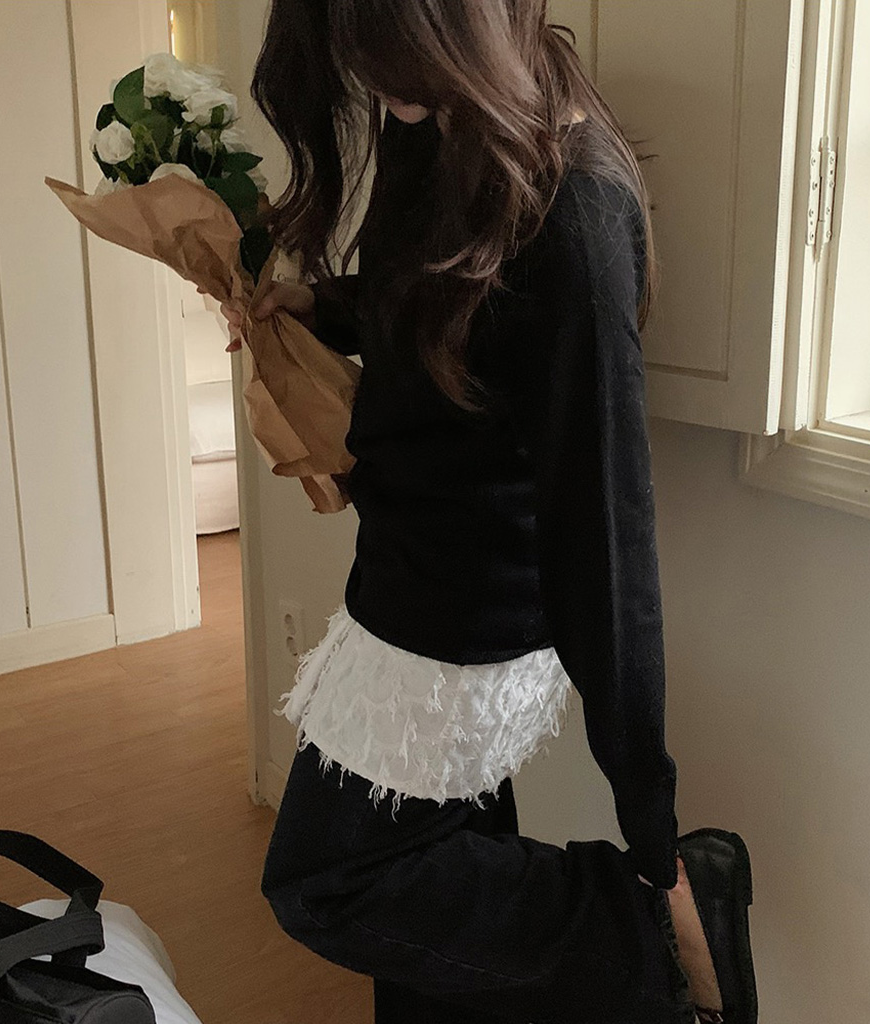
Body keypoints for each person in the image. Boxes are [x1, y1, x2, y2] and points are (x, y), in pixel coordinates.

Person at [221, 2, 757, 1022]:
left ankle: (651, 921)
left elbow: (607, 543)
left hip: (460, 625)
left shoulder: (572, 212)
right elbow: (447, 295)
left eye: (388, 51)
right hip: (409, 573)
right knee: (440, 914)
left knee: (328, 879)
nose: (374, 82)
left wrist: (654, 841)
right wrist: (327, 305)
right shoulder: (440, 117)